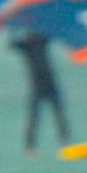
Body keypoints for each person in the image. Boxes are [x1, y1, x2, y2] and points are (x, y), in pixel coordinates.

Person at [7, 23, 70, 153]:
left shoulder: (41, 42)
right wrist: (12, 27)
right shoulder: (27, 46)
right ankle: (31, 146)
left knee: (58, 115)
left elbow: (51, 33)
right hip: (38, 86)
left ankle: (64, 142)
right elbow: (11, 45)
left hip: (48, 84)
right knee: (35, 117)